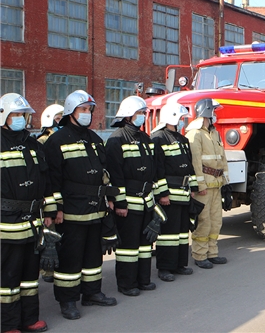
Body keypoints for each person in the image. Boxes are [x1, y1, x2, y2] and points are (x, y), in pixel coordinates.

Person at [44, 90, 118, 320]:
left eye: (89, 110)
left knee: (93, 257)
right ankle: (67, 300)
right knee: (70, 258)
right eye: (83, 110)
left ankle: (92, 293)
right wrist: (56, 208)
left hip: (95, 209)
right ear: (71, 112)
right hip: (71, 211)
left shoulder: (94, 139)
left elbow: (105, 173)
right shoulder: (56, 140)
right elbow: (51, 179)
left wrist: (110, 197)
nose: (87, 114)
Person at [1, 93, 56, 333]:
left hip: (33, 221)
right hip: (6, 223)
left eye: (22, 115)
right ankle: (8, 324)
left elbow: (47, 179)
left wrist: (50, 210)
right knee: (8, 279)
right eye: (15, 115)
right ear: (3, 116)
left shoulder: (33, 144)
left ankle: (29, 318)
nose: (20, 119)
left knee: (29, 276)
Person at [105, 96, 165, 296]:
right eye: (139, 113)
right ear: (128, 115)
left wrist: (155, 198)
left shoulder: (145, 138)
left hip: (146, 201)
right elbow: (115, 175)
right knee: (128, 247)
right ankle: (127, 284)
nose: (142, 117)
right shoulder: (116, 139)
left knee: (145, 245)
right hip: (128, 204)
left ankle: (143, 280)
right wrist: (120, 203)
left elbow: (153, 170)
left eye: (143, 113)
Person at [150, 102, 198, 282]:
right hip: (169, 195)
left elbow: (190, 167)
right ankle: (165, 268)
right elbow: (157, 170)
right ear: (171, 117)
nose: (183, 121)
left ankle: (179, 264)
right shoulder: (158, 139)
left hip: (184, 194)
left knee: (182, 232)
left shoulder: (182, 139)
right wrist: (162, 194)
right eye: (181, 118)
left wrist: (193, 188)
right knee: (167, 234)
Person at [185, 98, 228, 269]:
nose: (215, 115)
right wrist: (199, 186)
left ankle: (212, 253)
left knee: (216, 221)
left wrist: (225, 182)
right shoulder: (195, 134)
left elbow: (222, 158)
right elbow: (195, 162)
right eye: (214, 112)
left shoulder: (214, 132)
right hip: (205, 188)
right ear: (207, 112)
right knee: (203, 222)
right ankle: (200, 255)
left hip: (216, 185)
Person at [36, 103, 63, 284]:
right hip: (50, 194)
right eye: (58, 118)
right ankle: (47, 270)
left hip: (63, 194)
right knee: (49, 234)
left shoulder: (65, 138)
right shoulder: (43, 142)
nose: (61, 121)